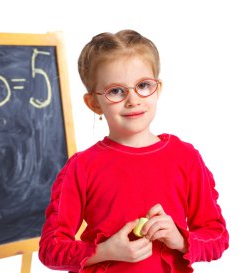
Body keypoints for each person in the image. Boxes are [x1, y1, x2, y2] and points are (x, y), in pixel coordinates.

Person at [38, 30, 229, 273]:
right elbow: (50, 249)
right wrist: (104, 251)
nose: (133, 100)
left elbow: (217, 237)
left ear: (157, 89)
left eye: (143, 85)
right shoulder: (81, 167)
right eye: (116, 91)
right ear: (94, 103)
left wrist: (180, 239)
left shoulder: (185, 158)